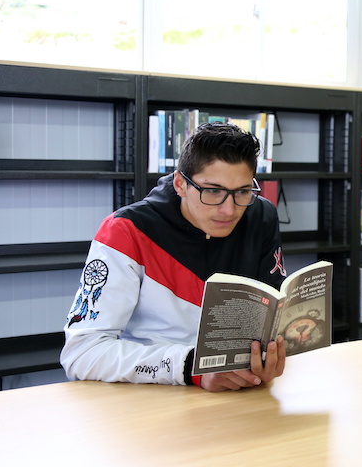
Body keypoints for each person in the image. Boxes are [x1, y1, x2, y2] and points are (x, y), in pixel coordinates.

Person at [61, 122, 287, 392]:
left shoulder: (261, 215)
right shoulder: (125, 230)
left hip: (239, 394)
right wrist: (192, 367)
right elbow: (81, 354)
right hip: (150, 395)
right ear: (180, 184)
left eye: (241, 191)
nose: (229, 210)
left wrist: (267, 356)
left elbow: (268, 322)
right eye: (212, 191)